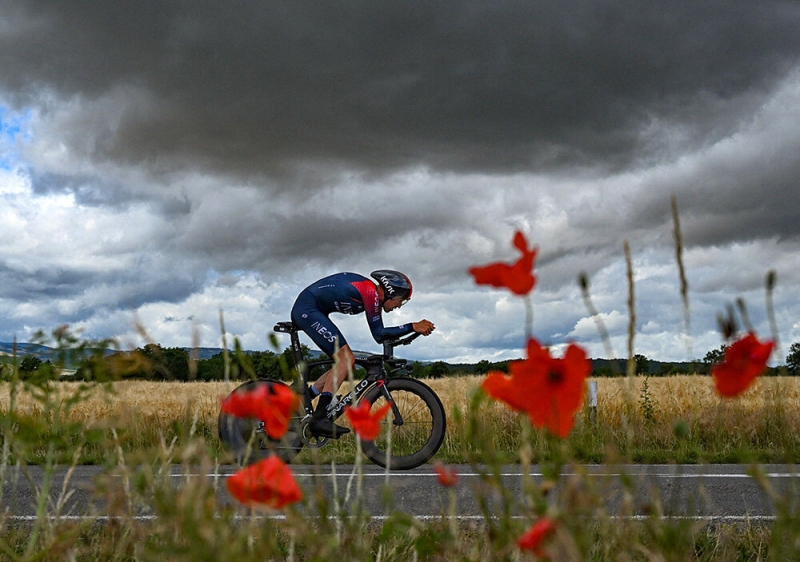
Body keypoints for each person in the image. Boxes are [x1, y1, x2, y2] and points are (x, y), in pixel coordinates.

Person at [291, 270, 435, 438]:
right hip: (307, 309)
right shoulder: (370, 293)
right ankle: (319, 419)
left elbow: (380, 335)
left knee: (347, 364)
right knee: (345, 360)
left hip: (313, 309)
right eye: (400, 302)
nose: (398, 307)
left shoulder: (371, 295)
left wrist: (409, 333)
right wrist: (412, 326)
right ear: (392, 292)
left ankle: (306, 398)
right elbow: (379, 334)